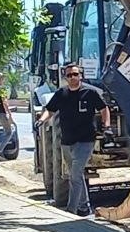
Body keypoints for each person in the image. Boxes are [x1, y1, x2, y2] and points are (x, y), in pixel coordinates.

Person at [37, 63, 110, 216]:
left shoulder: (90, 93)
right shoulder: (61, 94)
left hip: (86, 140)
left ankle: (71, 210)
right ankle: (85, 206)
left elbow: (104, 109)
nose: (72, 77)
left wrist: (107, 126)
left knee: (75, 175)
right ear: (65, 77)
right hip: (66, 141)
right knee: (76, 175)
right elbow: (50, 110)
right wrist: (42, 120)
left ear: (81, 76)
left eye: (75, 74)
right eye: (69, 75)